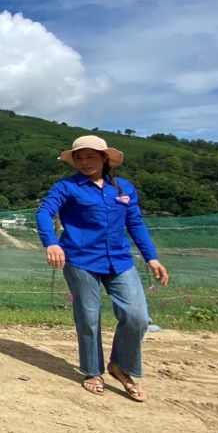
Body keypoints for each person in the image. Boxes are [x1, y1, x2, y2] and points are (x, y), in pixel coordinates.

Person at [36, 135, 170, 402]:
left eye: (91, 156)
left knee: (137, 316)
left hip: (119, 260)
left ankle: (120, 366)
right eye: (79, 157)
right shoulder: (67, 187)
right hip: (79, 259)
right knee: (88, 316)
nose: (85, 162)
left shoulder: (123, 189)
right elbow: (43, 213)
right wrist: (51, 243)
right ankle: (92, 371)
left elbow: (135, 224)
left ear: (105, 159)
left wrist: (151, 257)